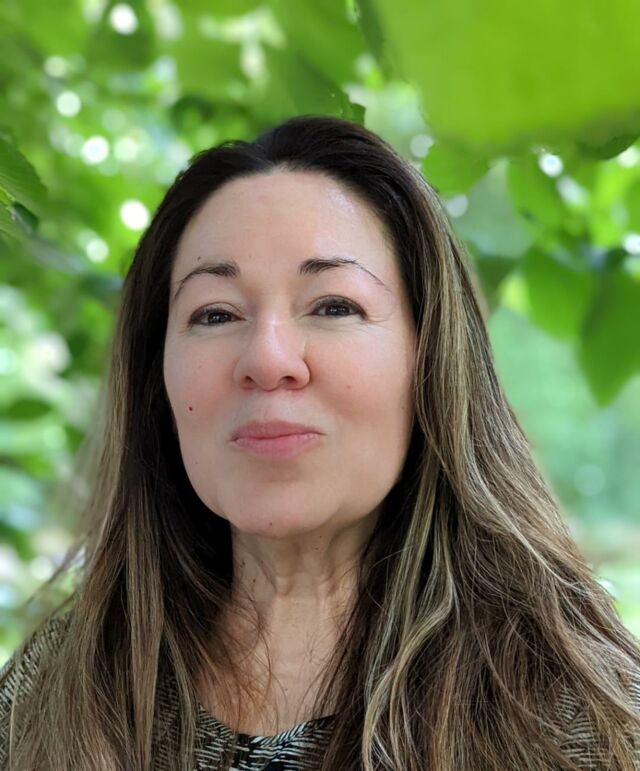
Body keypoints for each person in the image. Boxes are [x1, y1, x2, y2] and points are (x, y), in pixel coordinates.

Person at [1, 114, 639, 771]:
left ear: (432, 362)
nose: (268, 357)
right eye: (215, 313)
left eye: (334, 306)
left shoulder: (589, 719)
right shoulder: (45, 697)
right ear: (155, 377)